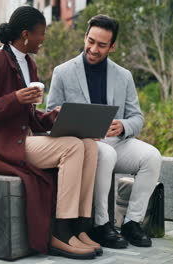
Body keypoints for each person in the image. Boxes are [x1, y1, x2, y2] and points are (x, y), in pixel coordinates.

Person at [0, 6, 101, 260]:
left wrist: (55, 116)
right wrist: (14, 99)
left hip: (22, 140)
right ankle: (61, 232)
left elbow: (30, 118)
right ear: (26, 34)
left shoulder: (29, 64)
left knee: (88, 145)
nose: (44, 39)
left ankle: (79, 227)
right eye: (41, 34)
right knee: (72, 146)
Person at [47, 14, 162, 248]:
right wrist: (62, 115)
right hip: (84, 144)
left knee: (152, 156)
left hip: (116, 140)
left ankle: (132, 223)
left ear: (113, 46)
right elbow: (49, 116)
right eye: (91, 41)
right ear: (85, 36)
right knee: (105, 154)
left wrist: (124, 126)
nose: (93, 49)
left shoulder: (124, 76)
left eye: (101, 45)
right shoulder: (63, 72)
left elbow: (137, 117)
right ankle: (101, 225)